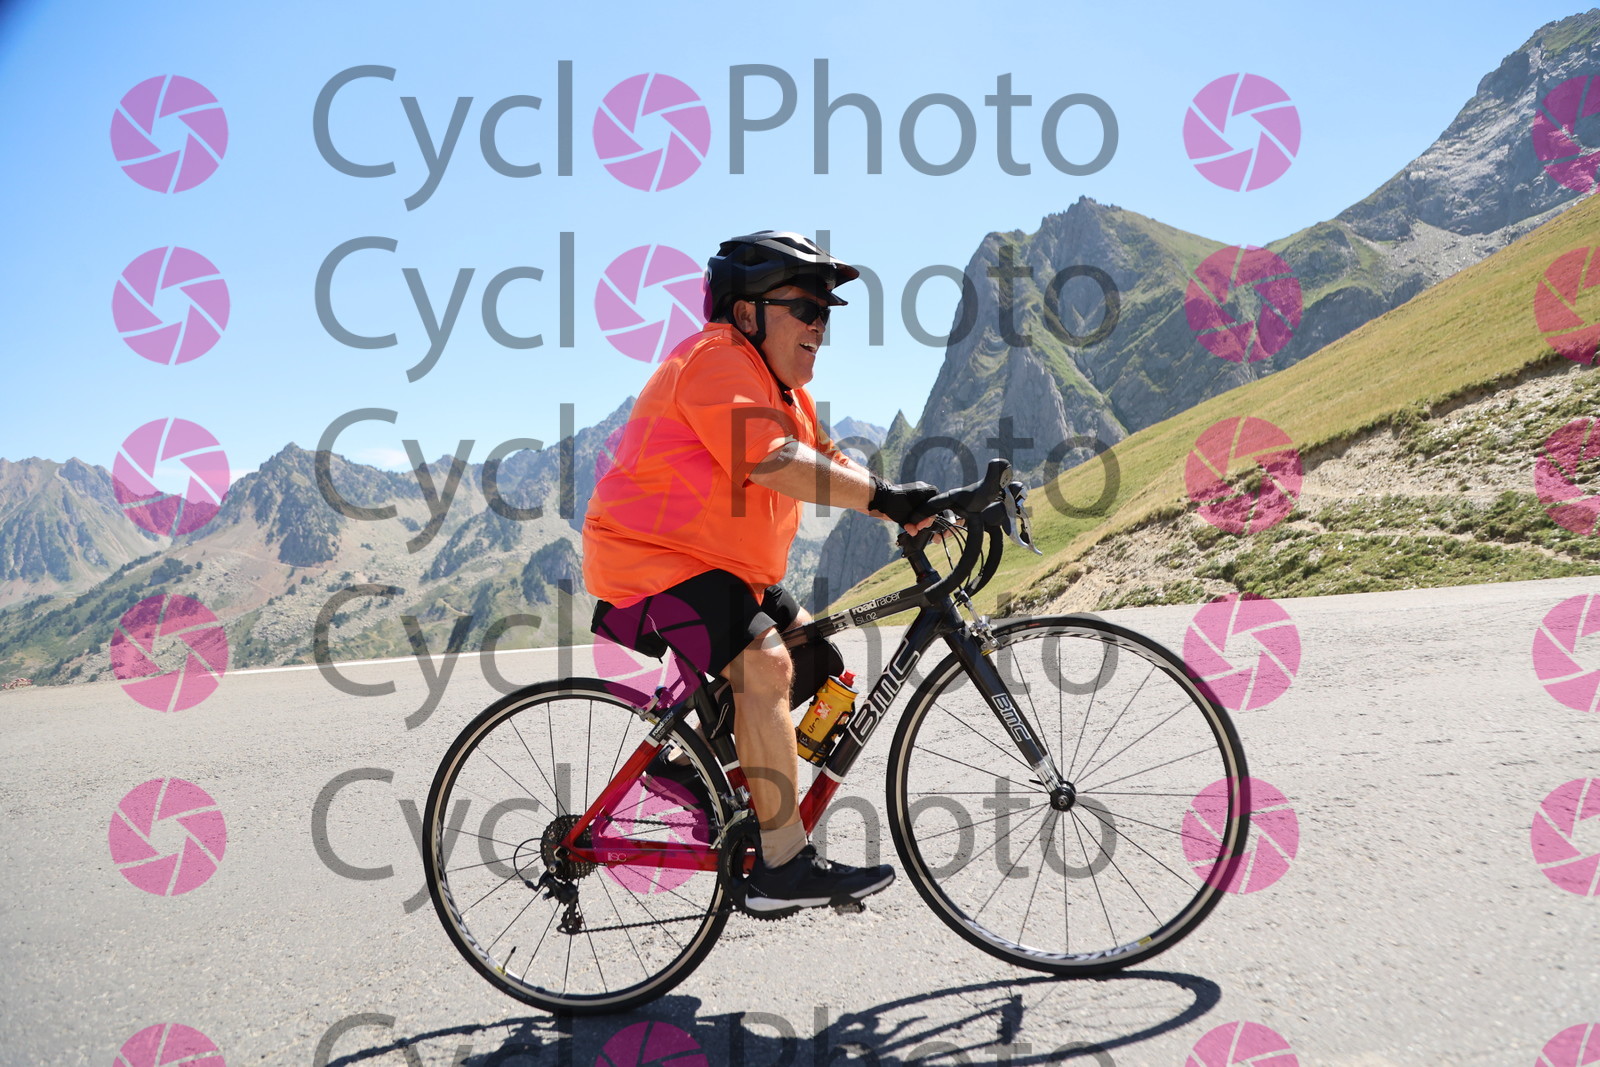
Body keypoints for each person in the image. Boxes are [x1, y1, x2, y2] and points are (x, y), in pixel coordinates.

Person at [582, 231, 940, 917]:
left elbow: (826, 460)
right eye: (804, 307)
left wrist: (910, 504)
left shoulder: (786, 392)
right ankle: (781, 862)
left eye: (825, 313)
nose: (819, 325)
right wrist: (885, 499)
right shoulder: (715, 358)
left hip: (721, 568)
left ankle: (691, 770)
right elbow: (772, 459)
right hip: (650, 561)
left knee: (815, 659)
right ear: (747, 312)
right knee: (766, 664)